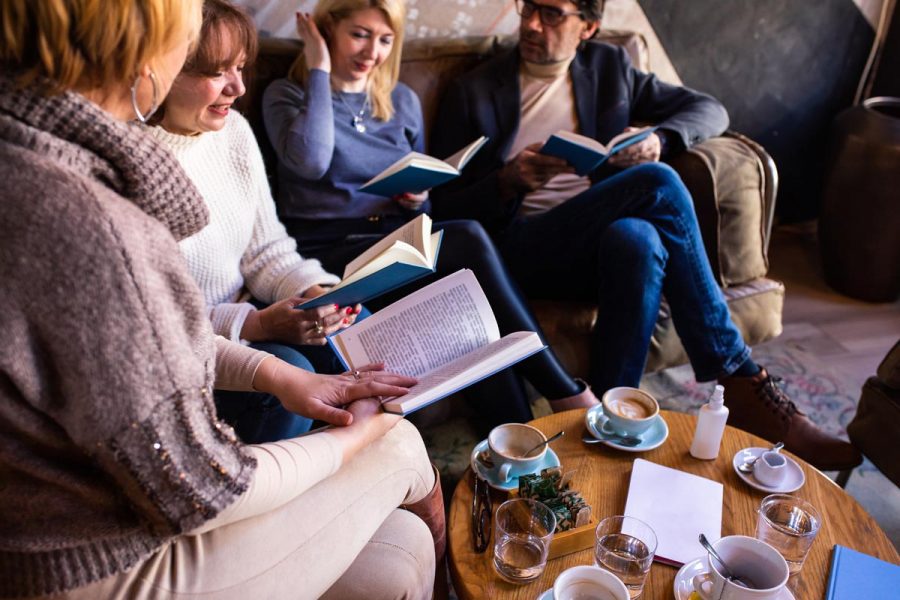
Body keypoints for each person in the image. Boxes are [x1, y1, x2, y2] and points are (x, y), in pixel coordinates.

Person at [0, 1, 443, 597]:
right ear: (140, 53)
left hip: (111, 512)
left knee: (401, 552)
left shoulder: (36, 157)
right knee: (398, 442)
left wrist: (277, 358)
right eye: (194, 53)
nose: (236, 86)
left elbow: (143, 343)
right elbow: (199, 485)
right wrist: (354, 438)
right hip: (92, 560)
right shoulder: (91, 219)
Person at [428, 0, 861, 471]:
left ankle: (611, 424)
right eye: (528, 7)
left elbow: (709, 110)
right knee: (658, 183)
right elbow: (445, 209)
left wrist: (662, 140)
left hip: (591, 245)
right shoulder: (473, 90)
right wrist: (508, 181)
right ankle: (736, 371)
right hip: (517, 250)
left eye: (552, 13)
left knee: (639, 239)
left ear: (588, 27)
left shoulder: (610, 66)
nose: (532, 23)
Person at [262, 0, 599, 426]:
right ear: (327, 32)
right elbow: (310, 160)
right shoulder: (288, 95)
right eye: (359, 35)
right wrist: (319, 69)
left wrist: (417, 199)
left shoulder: (399, 99)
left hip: (394, 242)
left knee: (465, 320)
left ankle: (523, 443)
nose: (373, 53)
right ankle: (564, 392)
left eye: (385, 40)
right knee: (468, 237)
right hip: (330, 253)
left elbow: (429, 205)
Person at [147, 0, 367, 443]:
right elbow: (154, 322)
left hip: (251, 318)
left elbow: (268, 251)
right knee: (296, 369)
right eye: (217, 73)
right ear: (164, 71)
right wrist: (257, 323)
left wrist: (314, 292)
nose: (238, 88)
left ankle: (368, 471)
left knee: (360, 329)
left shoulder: (233, 133)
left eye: (241, 68)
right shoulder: (135, 162)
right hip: (192, 350)